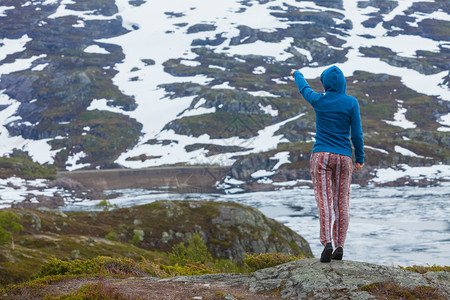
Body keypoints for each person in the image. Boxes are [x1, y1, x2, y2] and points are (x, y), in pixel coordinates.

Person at [290, 66, 364, 263]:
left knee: (324, 201)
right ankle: (340, 245)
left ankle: (327, 243)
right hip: (344, 158)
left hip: (321, 156)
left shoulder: (319, 100)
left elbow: (304, 89)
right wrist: (360, 158)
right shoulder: (351, 102)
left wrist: (297, 74)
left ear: (326, 83)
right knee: (342, 202)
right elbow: (356, 134)